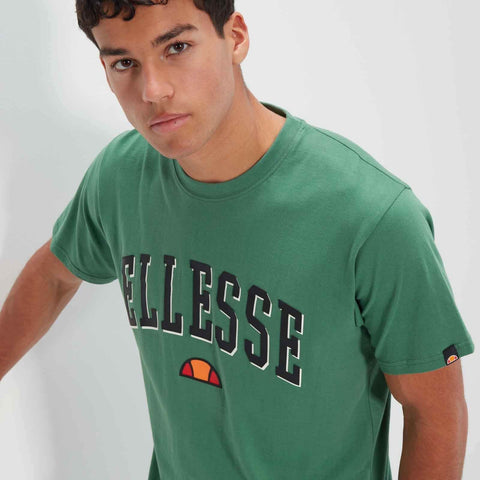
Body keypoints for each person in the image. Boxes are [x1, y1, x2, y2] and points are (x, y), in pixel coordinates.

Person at [0, 0, 475, 478]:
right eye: (124, 63)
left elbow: (434, 413)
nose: (153, 90)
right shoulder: (121, 178)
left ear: (236, 37)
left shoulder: (371, 215)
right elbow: (54, 275)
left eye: (177, 47)